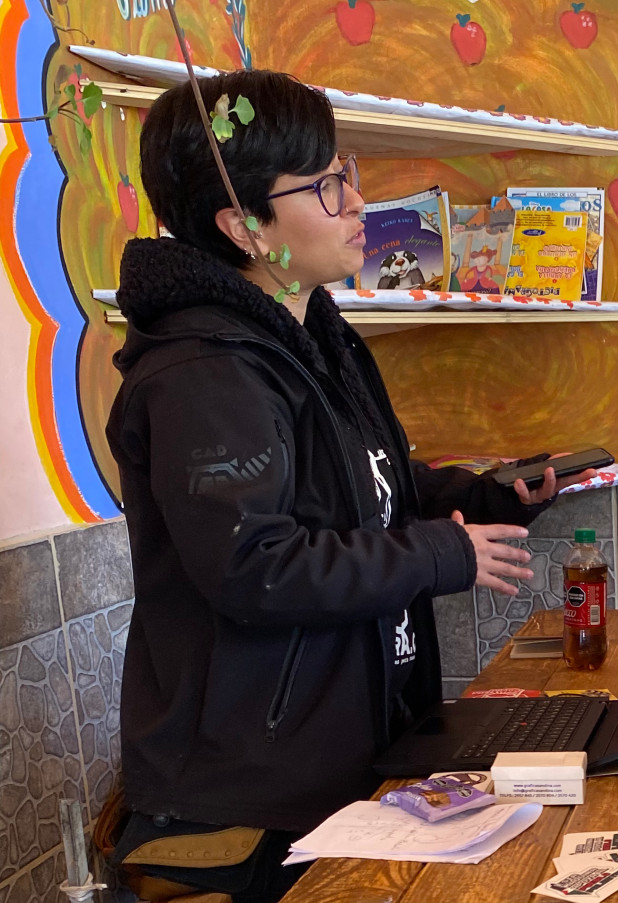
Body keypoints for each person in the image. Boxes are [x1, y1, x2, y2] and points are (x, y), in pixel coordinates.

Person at [104, 70, 593, 901]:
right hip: (245, 801)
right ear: (243, 226)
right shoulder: (205, 371)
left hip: (347, 761)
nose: (359, 201)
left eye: (349, 171)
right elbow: (257, 565)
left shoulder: (313, 332)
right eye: (328, 185)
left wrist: (484, 497)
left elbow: (377, 486)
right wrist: (441, 553)